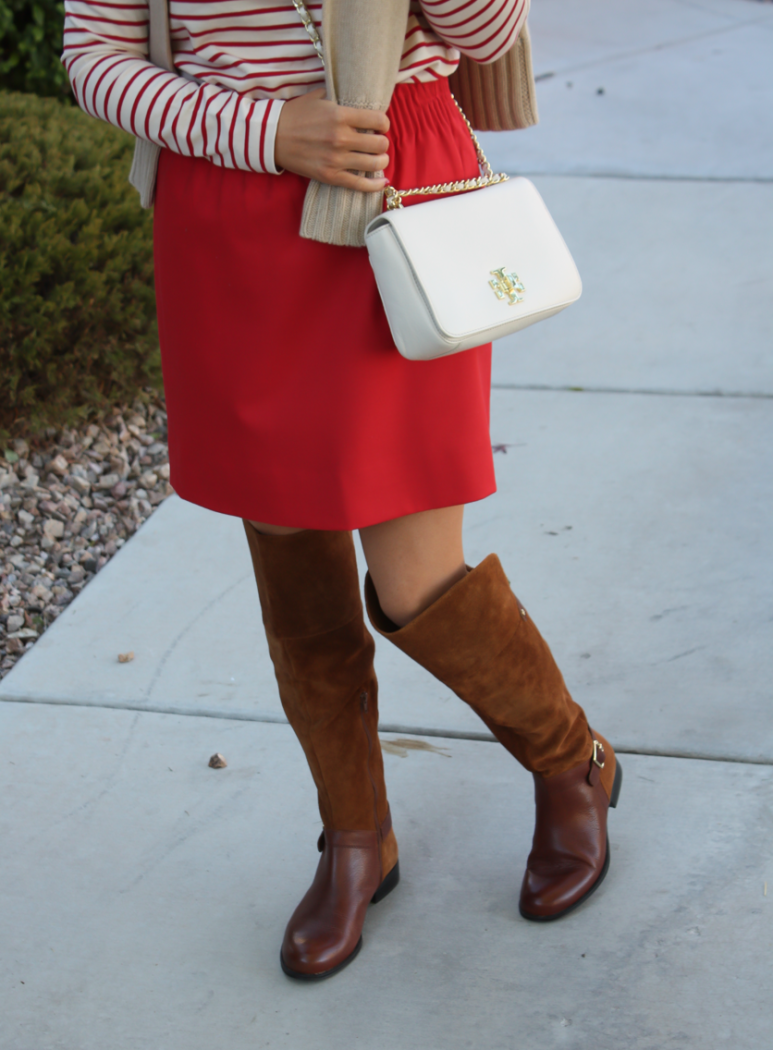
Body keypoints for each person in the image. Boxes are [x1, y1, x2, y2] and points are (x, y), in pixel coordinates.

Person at [62, 0, 622, 981]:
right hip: (231, 204)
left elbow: (487, 35)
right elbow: (94, 58)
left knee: (416, 579)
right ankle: (356, 837)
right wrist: (267, 131)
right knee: (291, 556)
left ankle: (571, 760)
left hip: (392, 185)